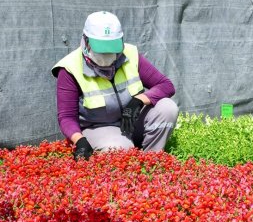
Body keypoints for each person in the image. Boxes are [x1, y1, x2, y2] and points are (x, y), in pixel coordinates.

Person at [52, 11, 179, 160]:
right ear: (86, 41)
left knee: (167, 108)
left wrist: (138, 100)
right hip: (99, 129)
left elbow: (166, 85)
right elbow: (66, 117)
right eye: (101, 48)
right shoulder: (70, 68)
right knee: (120, 148)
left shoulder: (130, 54)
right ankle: (126, 156)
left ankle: (151, 161)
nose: (107, 53)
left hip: (132, 123)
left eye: (112, 47)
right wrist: (79, 140)